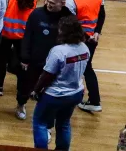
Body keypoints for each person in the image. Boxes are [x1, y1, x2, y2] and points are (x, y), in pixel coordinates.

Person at [31, 15, 90, 150]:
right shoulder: (84, 48)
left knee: (40, 122)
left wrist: (36, 90)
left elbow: (47, 75)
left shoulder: (59, 51)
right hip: (75, 93)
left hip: (55, 94)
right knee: (64, 123)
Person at [0, 0, 38, 119]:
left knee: (2, 59)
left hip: (6, 32)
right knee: (21, 67)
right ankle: (21, 97)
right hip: (23, 36)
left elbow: (2, 10)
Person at [64, 0, 105, 115]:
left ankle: (92, 100)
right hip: (92, 39)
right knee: (86, 67)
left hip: (78, 39)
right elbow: (101, 14)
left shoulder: (72, 0)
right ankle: (91, 99)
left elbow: (71, 23)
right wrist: (97, 32)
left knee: (75, 67)